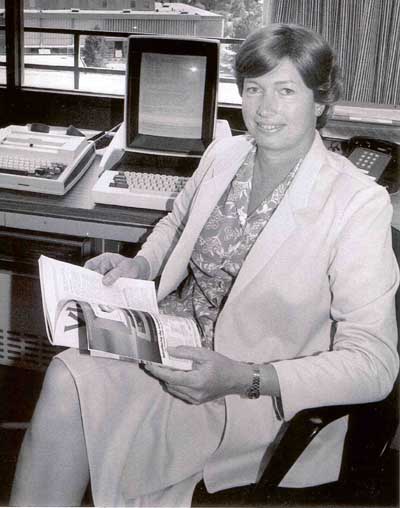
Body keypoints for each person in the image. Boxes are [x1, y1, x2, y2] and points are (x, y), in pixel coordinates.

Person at [11, 23, 399, 507]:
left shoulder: (357, 202)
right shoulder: (226, 152)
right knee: (66, 372)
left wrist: (245, 377)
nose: (265, 108)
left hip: (251, 394)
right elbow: (177, 221)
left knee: (87, 403)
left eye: (285, 91)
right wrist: (141, 265)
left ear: (320, 102)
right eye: (254, 89)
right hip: (173, 343)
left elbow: (374, 365)